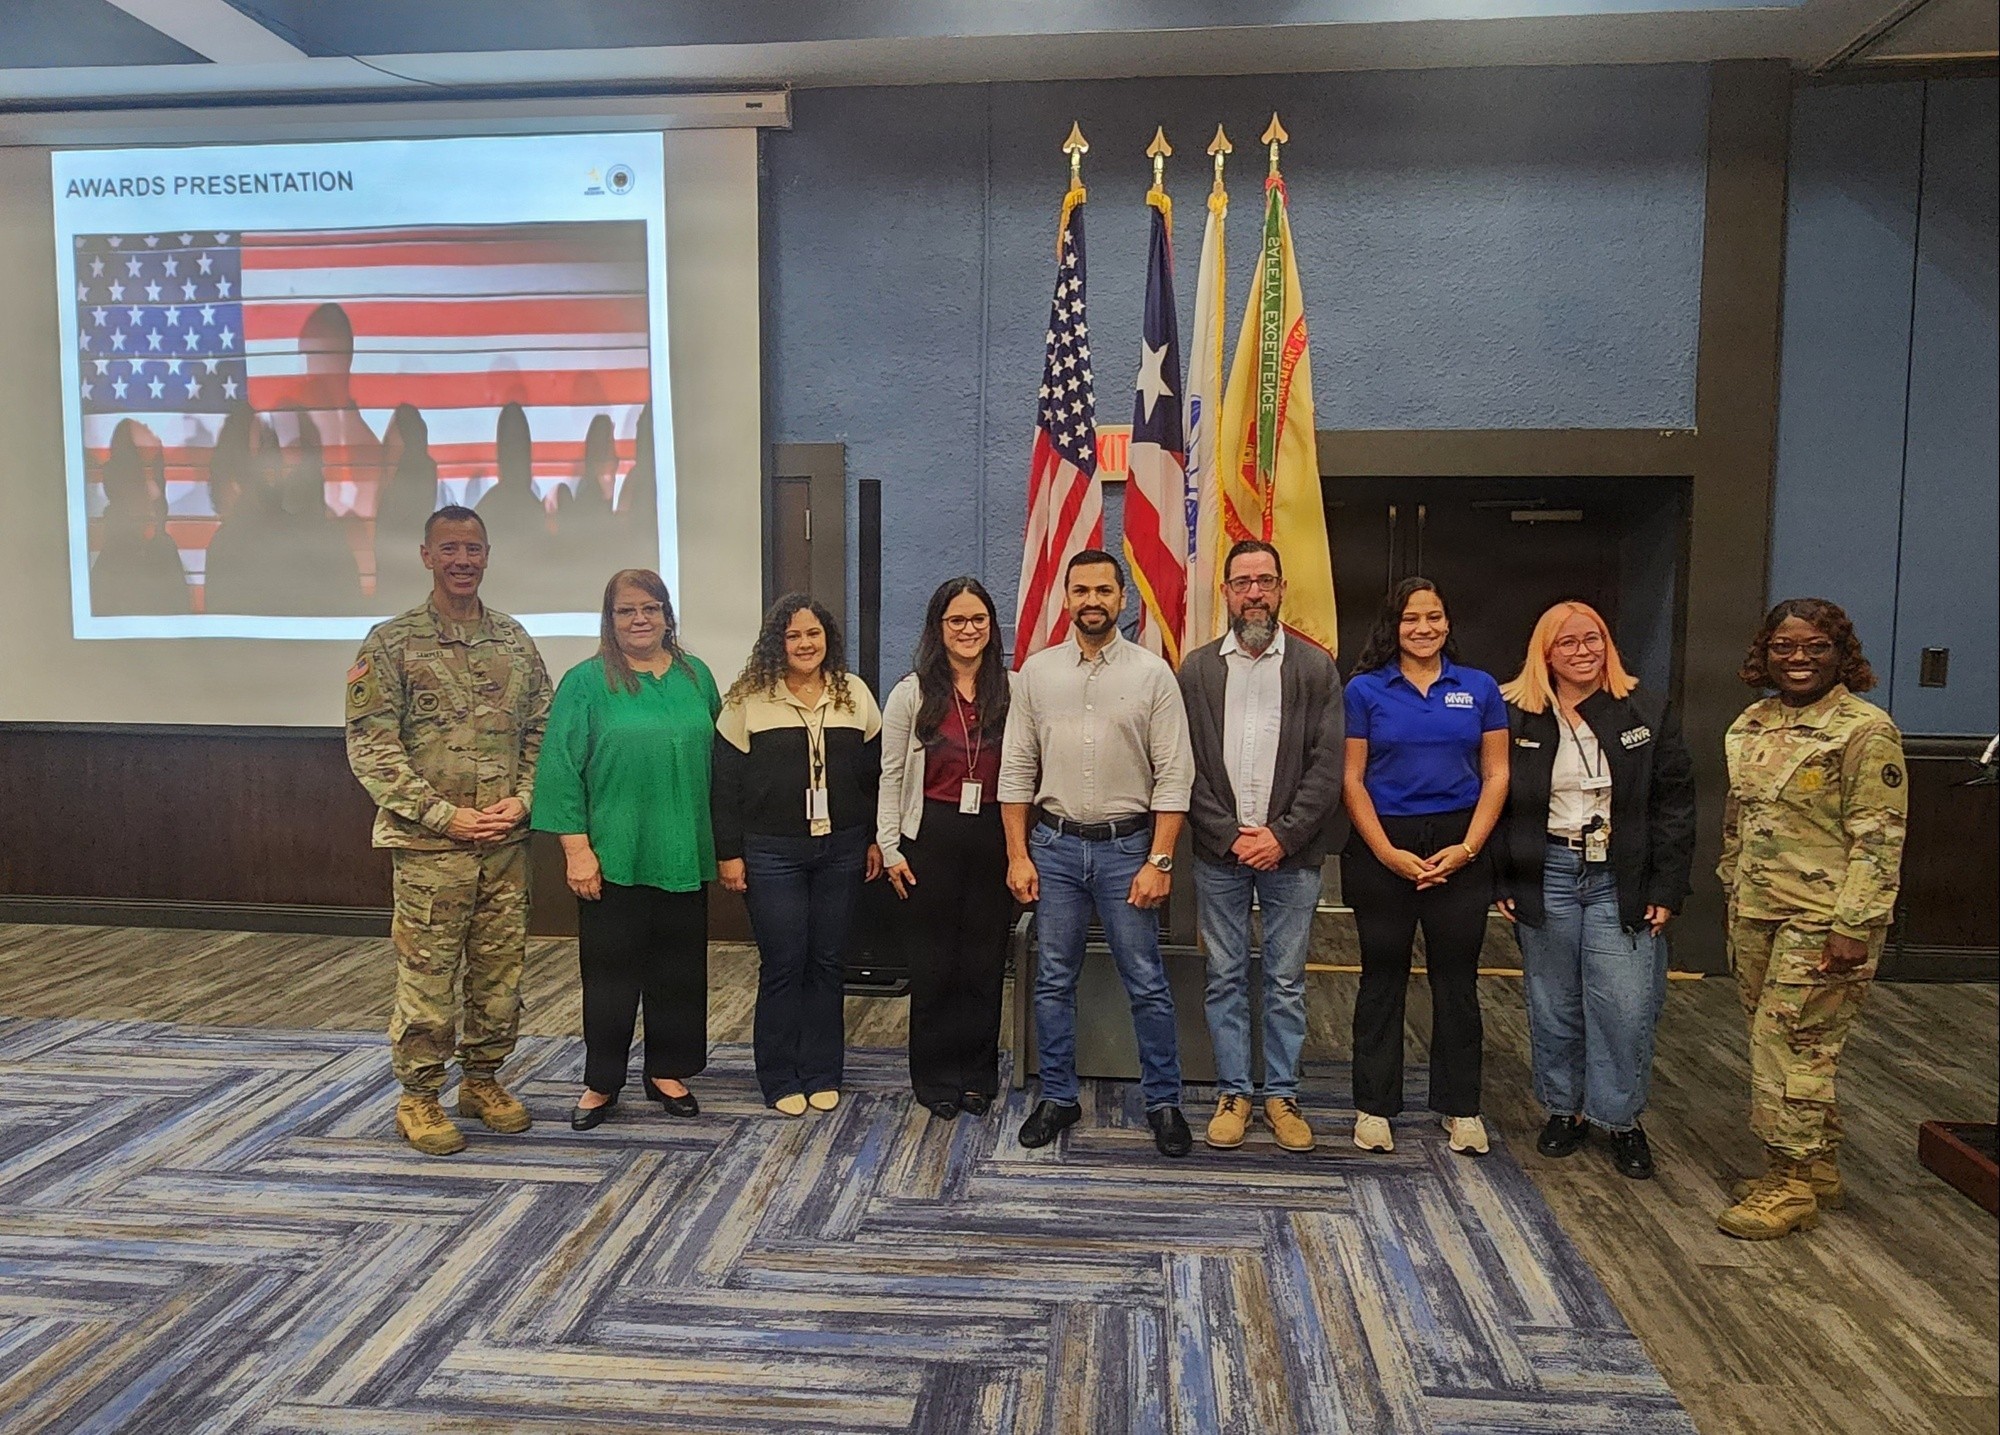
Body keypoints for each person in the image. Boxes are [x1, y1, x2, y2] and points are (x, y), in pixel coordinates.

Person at [346, 504, 553, 1156]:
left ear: (487, 555)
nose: (463, 560)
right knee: (428, 979)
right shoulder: (391, 644)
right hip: (431, 849)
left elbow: (544, 733)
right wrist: (444, 814)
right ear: (427, 556)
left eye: (473, 548)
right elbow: (372, 748)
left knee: (500, 976)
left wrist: (523, 801)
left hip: (504, 846)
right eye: (450, 548)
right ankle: (420, 1096)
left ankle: (482, 1080)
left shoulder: (515, 641)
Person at [1713, 598, 1906, 1240]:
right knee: (1785, 1042)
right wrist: (1731, 886)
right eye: (1785, 647)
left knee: (1792, 1046)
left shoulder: (1865, 729)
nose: (1798, 658)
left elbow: (1879, 838)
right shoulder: (1754, 722)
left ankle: (1789, 1181)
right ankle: (1818, 1166)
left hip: (1825, 920)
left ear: (1840, 654)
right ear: (1765, 653)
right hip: (1756, 910)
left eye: (1816, 647)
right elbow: (1740, 816)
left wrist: (1855, 926)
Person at [999, 550, 1197, 1158]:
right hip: (1053, 849)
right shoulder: (1036, 674)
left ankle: (1163, 1103)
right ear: (1066, 598)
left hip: (1128, 851)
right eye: (1081, 590)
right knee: (1053, 980)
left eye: (1103, 590)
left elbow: (1175, 775)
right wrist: (1017, 855)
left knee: (1146, 981)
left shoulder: (1153, 675)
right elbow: (1016, 771)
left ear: (1122, 599)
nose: (1092, 601)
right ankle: (1059, 1097)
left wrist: (1160, 861)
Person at [1495, 601, 1696, 1180]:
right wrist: (1504, 878)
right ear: (1544, 652)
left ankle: (1620, 1119)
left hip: (1621, 878)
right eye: (1568, 642)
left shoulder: (1646, 710)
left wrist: (1666, 888)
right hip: (1548, 872)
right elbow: (1496, 801)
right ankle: (1565, 1110)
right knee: (1554, 1002)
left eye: (1593, 640)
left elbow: (1675, 806)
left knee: (1624, 1006)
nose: (1582, 651)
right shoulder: (1516, 715)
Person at [532, 569, 722, 1131]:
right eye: (626, 610)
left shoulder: (696, 676)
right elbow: (559, 770)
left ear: (667, 615)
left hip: (684, 852)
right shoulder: (585, 683)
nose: (640, 619)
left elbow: (722, 759)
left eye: (650, 608)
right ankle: (602, 1081)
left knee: (679, 971)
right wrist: (576, 850)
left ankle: (668, 1071)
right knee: (610, 977)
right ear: (609, 619)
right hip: (612, 857)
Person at [1178, 539, 1349, 1154]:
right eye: (1243, 582)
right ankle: (1234, 1093)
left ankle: (1281, 1094)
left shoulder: (1315, 668)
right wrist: (1229, 836)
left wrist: (1281, 835)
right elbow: (1182, 765)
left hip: (1291, 857)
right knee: (1224, 976)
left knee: (1285, 979)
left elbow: (1328, 766)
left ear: (1281, 590)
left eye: (1265, 581)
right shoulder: (1197, 670)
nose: (1255, 593)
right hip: (1219, 855)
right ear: (1225, 592)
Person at [1341, 577, 1509, 1156]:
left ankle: (1461, 1108)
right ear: (1394, 626)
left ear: (1448, 623)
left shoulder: (1479, 687)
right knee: (1381, 979)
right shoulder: (1364, 690)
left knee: (1456, 982)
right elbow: (1351, 779)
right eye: (1411, 618)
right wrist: (1386, 852)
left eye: (1433, 616)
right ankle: (1374, 1107)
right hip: (1383, 843)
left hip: (1461, 843)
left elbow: (1497, 774)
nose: (1423, 628)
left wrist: (1468, 849)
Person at [713, 595, 884, 1116]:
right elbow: (724, 785)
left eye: (813, 634)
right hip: (772, 854)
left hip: (843, 848)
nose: (805, 644)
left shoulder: (853, 693)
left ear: (827, 637)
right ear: (776, 643)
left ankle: (822, 1071)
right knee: (784, 963)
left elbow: (876, 775)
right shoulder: (748, 699)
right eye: (793, 635)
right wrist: (729, 854)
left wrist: (875, 838)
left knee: (828, 963)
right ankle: (779, 1076)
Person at [878, 577, 1015, 1120]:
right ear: (939, 628)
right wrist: (889, 847)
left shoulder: (1014, 689)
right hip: (929, 835)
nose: (968, 629)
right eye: (956, 620)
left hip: (994, 835)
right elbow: (891, 775)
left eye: (978, 619)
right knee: (934, 963)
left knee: (984, 962)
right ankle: (935, 1076)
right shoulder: (911, 693)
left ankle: (977, 1075)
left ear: (992, 627)